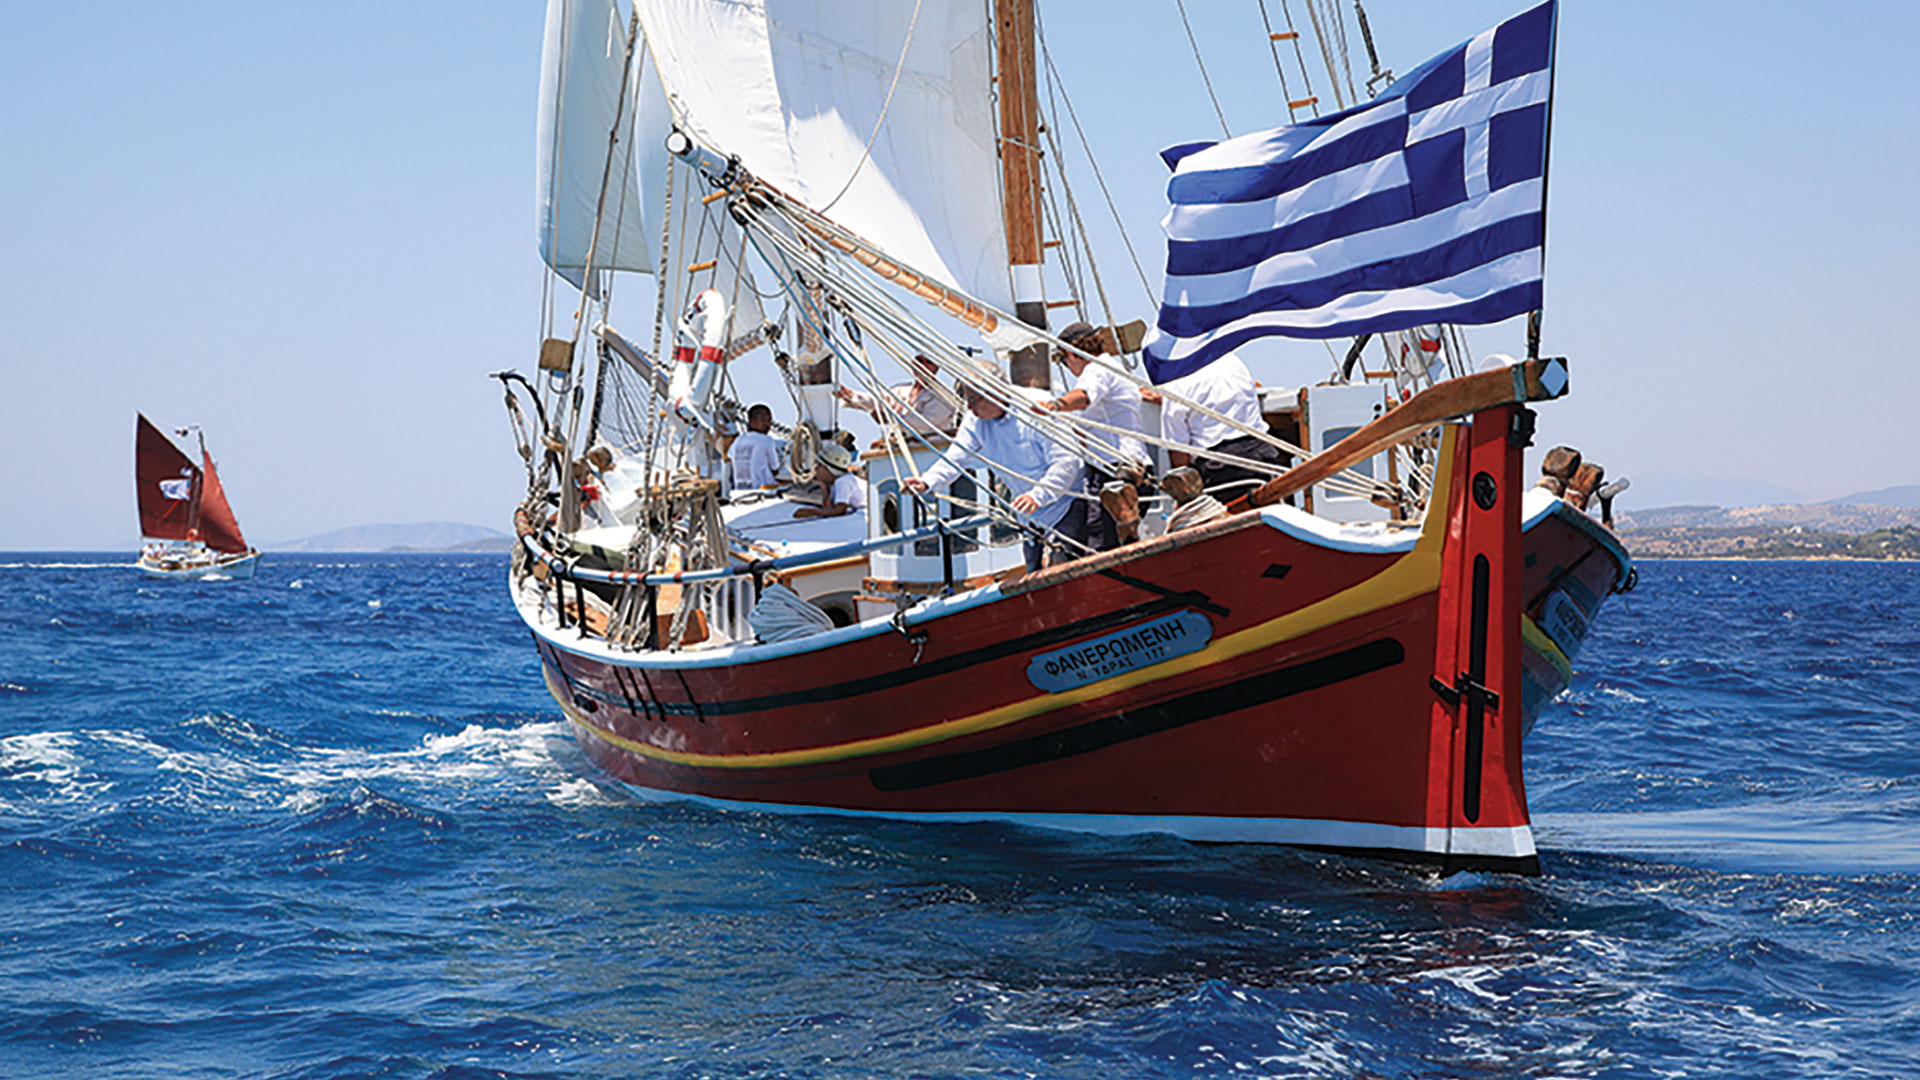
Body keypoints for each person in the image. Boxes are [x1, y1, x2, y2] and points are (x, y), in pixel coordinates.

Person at [906, 385, 1085, 572]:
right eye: (967, 400)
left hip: (1068, 504)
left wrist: (1037, 496)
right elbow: (956, 458)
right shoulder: (975, 420)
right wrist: (927, 482)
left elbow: (1066, 461)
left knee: (1065, 571)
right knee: (1035, 576)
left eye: (974, 399)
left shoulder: (1036, 407)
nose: (970, 407)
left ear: (995, 394)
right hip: (1030, 518)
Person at [1039, 321, 1150, 550]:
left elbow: (1084, 395)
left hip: (1115, 472)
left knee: (1100, 545)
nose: (1067, 366)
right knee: (1110, 542)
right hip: (1132, 469)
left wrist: (1055, 405)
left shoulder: (1096, 369)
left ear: (1071, 353)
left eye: (1063, 360)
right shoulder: (1113, 368)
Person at [1149, 350, 1284, 495]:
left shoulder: (1176, 381)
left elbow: (1178, 448)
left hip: (1219, 466)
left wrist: (1183, 493)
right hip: (1261, 454)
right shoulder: (1232, 361)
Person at [836, 353, 957, 436]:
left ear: (936, 367)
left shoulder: (944, 396)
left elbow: (923, 423)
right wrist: (848, 394)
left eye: (928, 362)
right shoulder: (901, 390)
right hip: (899, 449)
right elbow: (877, 400)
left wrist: (890, 418)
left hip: (927, 452)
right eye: (919, 361)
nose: (923, 365)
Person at [793, 441, 866, 518]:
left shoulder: (843, 481)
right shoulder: (836, 483)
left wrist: (812, 512)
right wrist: (824, 486)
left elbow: (839, 510)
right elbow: (829, 508)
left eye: (819, 466)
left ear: (828, 469)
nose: (815, 469)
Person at [729, 403, 782, 495]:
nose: (768, 425)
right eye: (764, 420)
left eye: (769, 421)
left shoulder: (737, 441)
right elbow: (775, 469)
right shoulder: (766, 440)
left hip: (740, 492)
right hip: (764, 491)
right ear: (751, 421)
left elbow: (730, 460)